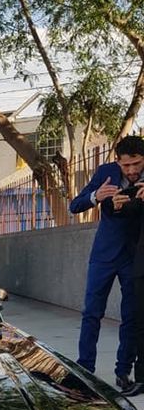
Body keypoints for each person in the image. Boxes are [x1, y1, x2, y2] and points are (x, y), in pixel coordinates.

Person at [69, 135, 144, 390]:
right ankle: (85, 371)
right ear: (117, 162)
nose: (132, 170)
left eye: (137, 164)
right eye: (127, 166)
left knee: (131, 316)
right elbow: (74, 205)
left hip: (134, 256)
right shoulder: (106, 172)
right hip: (104, 254)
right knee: (91, 313)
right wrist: (96, 196)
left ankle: (123, 374)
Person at [104, 182, 144, 396]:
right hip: (140, 266)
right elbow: (127, 209)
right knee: (140, 324)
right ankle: (142, 377)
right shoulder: (138, 189)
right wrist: (116, 205)